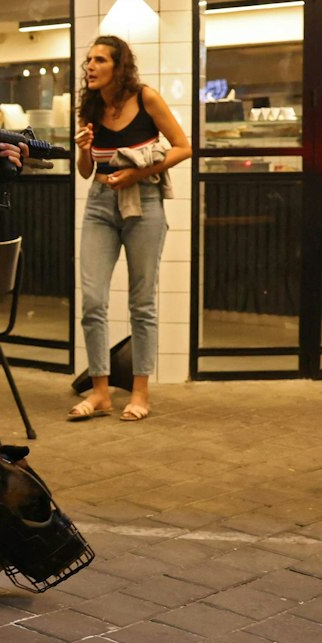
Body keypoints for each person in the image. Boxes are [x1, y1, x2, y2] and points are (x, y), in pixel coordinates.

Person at [69, 36, 191, 422]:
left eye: (99, 60)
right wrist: (84, 148)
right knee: (92, 300)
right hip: (100, 203)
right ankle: (101, 392)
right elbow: (86, 171)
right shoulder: (88, 105)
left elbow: (183, 147)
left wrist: (138, 171)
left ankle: (140, 392)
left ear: (118, 66)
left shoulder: (145, 97)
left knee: (142, 303)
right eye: (88, 60)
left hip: (144, 201)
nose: (90, 66)